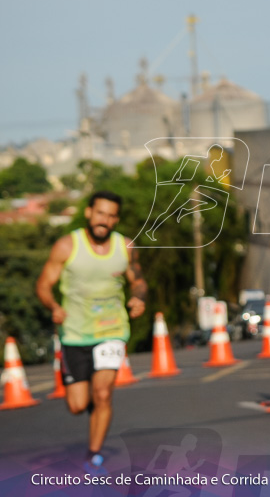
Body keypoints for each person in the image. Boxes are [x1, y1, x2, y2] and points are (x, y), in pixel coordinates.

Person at [35, 191, 147, 473]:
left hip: (112, 329)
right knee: (77, 404)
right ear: (89, 213)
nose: (104, 221)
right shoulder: (66, 246)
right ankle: (91, 405)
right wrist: (53, 306)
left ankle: (94, 456)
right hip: (74, 333)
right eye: (100, 214)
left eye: (111, 216)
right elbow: (44, 284)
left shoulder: (126, 246)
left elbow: (138, 280)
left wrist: (139, 298)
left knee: (104, 393)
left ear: (116, 219)